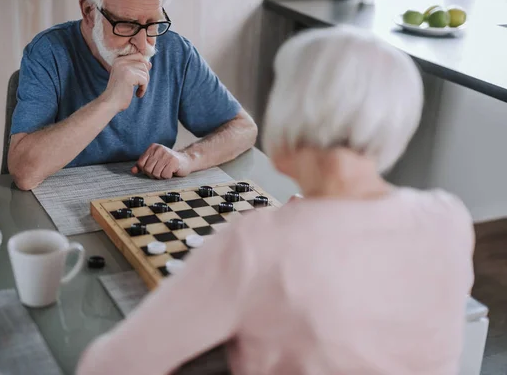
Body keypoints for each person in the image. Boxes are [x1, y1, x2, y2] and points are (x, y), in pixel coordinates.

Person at [75, 27, 475, 375]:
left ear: (288, 117)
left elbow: (109, 367)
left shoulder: (257, 243)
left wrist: (283, 235)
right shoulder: (449, 218)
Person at [7, 0, 257, 190]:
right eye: (126, 25)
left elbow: (244, 129)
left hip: (144, 205)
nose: (143, 43)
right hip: (59, 205)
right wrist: (109, 101)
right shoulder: (48, 52)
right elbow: (24, 173)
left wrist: (187, 158)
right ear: (89, 12)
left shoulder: (175, 52)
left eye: (152, 23)